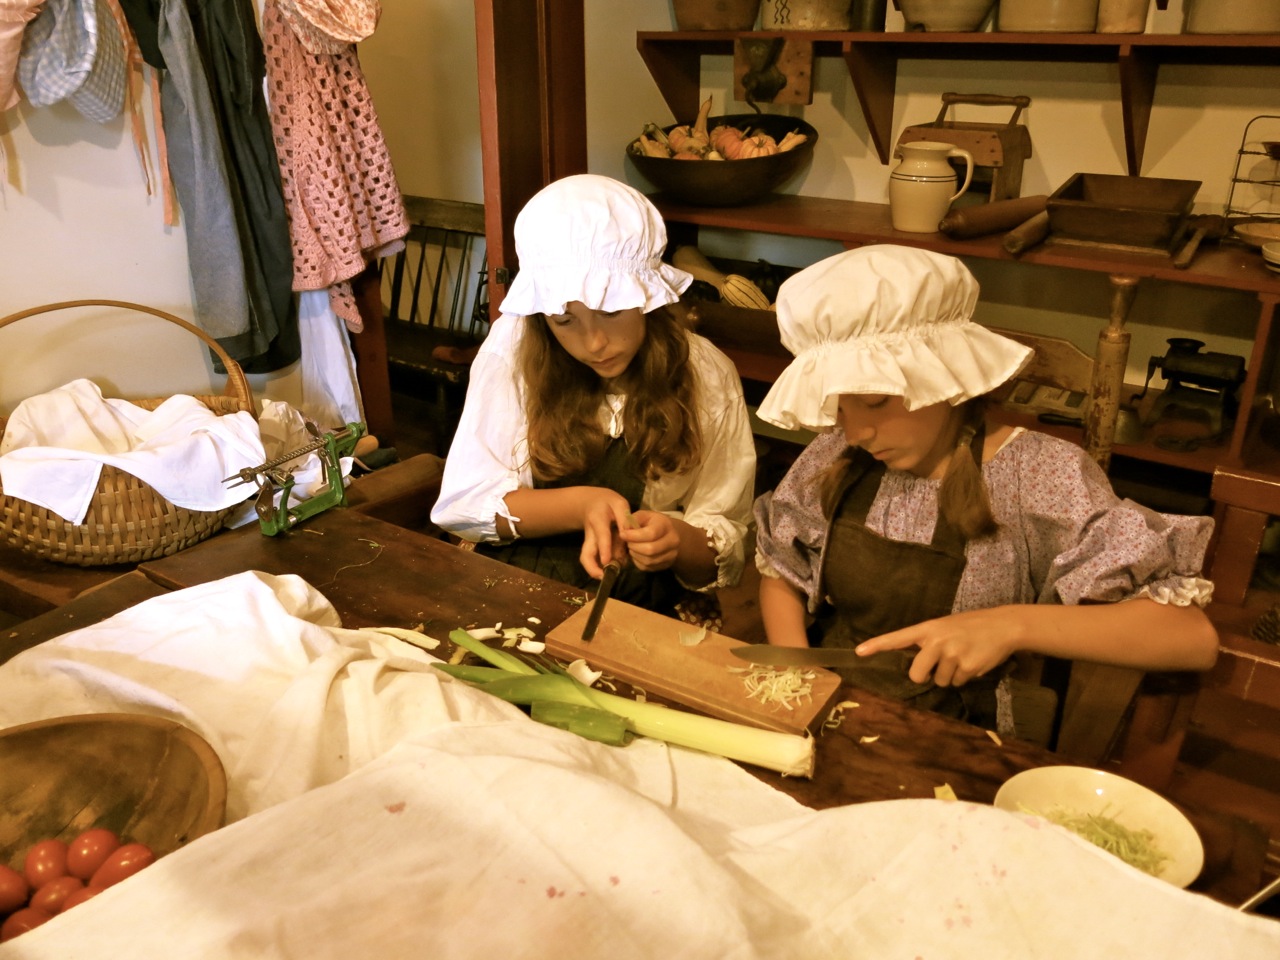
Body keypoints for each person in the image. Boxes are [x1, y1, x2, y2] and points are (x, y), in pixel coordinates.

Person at [752, 245, 1219, 738]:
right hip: (832, 705)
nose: (855, 432)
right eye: (839, 408)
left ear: (942, 371)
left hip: (962, 733)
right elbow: (783, 572)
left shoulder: (1037, 475)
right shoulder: (838, 456)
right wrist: (801, 679)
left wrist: (1011, 625)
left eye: (874, 400)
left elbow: (1189, 638)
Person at [431, 174, 756, 615]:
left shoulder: (705, 373)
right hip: (516, 580)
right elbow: (463, 504)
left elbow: (723, 543)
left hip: (640, 600)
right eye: (564, 321)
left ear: (647, 295)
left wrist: (676, 541)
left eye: (612, 311)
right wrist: (583, 505)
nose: (594, 343)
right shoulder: (515, 349)